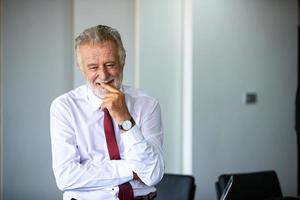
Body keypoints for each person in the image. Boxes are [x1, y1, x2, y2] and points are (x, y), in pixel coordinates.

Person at [50, 25, 164, 200]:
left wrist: (124, 117)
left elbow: (153, 174)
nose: (103, 75)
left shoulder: (147, 105)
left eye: (110, 64)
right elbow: (66, 177)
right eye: (93, 67)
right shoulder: (64, 107)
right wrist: (132, 169)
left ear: (122, 61)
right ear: (81, 67)